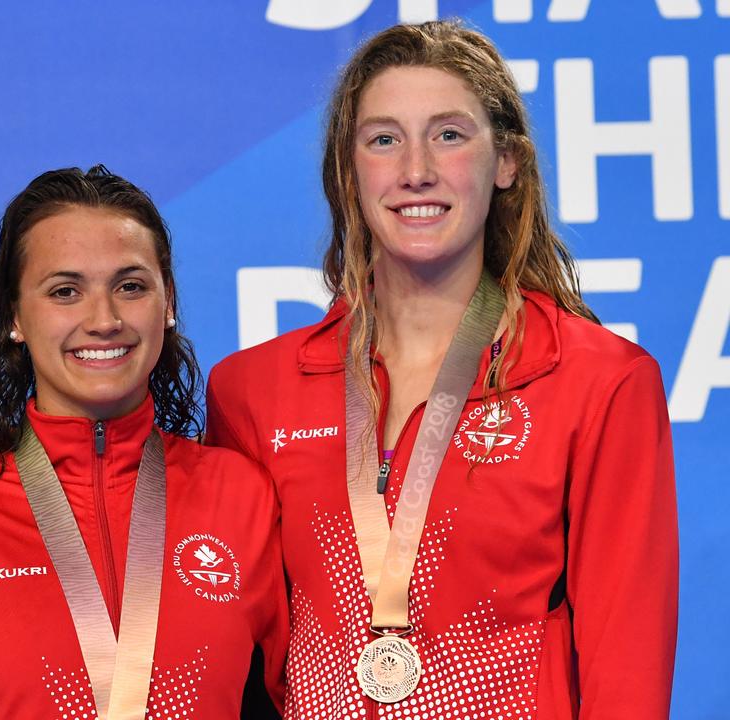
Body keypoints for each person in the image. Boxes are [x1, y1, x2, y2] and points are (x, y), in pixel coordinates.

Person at [206, 21, 677, 720]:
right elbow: (232, 662)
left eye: (450, 135)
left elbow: (626, 673)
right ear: (349, 168)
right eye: (384, 139)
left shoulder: (598, 382)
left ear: (507, 161)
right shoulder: (251, 394)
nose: (415, 169)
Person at [0, 166, 287, 719]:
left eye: (131, 286)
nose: (104, 319)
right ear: (15, 317)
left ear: (168, 304)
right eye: (65, 291)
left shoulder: (242, 494)